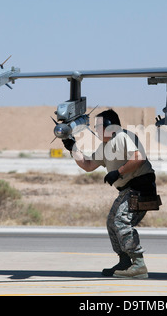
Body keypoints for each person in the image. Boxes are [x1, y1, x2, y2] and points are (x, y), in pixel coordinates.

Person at [62, 109, 158, 279]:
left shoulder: (122, 136)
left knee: (120, 221)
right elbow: (89, 165)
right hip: (128, 190)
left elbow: (139, 157)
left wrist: (118, 172)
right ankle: (125, 261)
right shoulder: (105, 146)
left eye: (98, 126)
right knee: (112, 223)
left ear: (109, 126)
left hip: (140, 186)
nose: (95, 130)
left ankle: (138, 264)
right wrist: (73, 147)